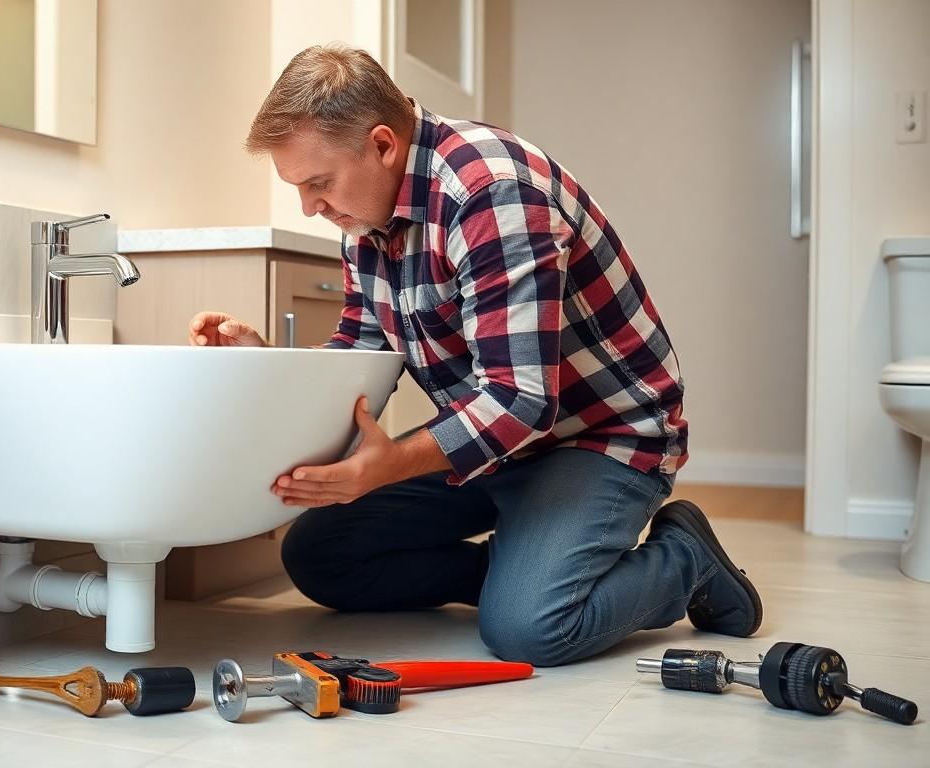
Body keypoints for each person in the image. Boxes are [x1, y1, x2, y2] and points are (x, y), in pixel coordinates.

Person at [187, 44, 761, 666]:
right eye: (299, 188)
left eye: (318, 183)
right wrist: (264, 359)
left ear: (382, 144)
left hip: (598, 437)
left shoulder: (493, 193)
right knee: (318, 557)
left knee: (529, 631)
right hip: (492, 443)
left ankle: (686, 561)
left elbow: (522, 400)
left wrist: (390, 465)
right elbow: (361, 350)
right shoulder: (367, 221)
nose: (310, 206)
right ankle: (515, 572)